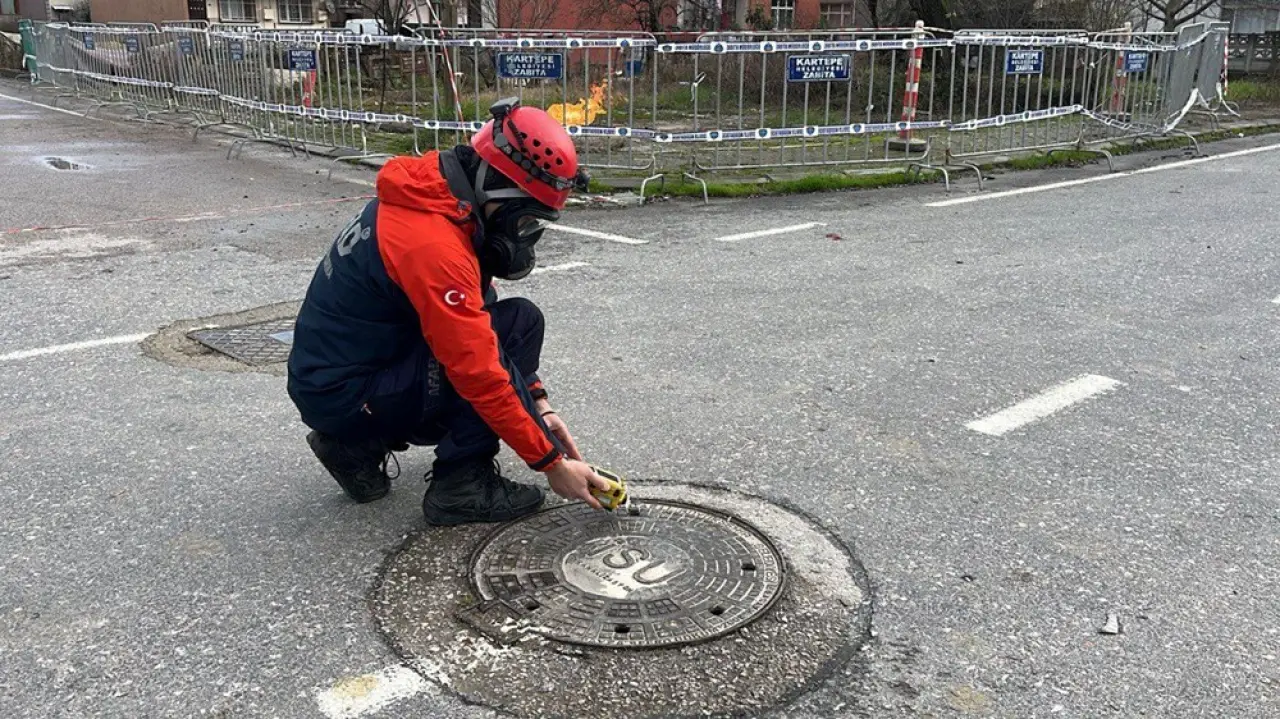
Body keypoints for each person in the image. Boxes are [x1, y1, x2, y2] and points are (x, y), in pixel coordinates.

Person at [286, 98, 612, 525]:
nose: (525, 237)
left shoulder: (437, 196)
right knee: (481, 369)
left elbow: (484, 317)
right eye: (525, 222)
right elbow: (478, 371)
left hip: (339, 380)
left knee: (518, 321)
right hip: (348, 393)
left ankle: (353, 449)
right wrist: (552, 465)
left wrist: (540, 406)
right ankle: (461, 486)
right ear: (498, 190)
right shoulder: (433, 245)